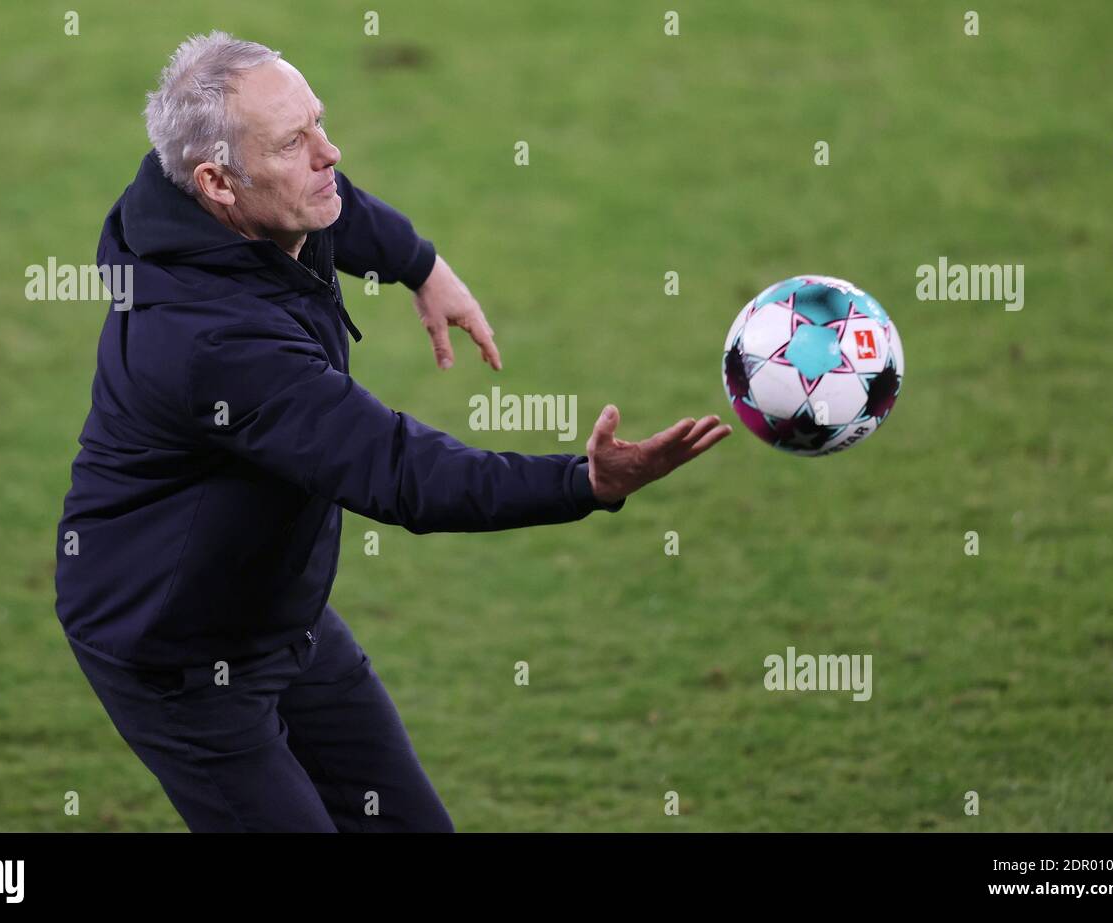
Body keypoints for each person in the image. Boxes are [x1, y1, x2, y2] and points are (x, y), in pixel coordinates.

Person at [55, 31, 731, 832]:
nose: (328, 151)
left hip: (279, 613)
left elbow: (334, 203)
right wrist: (583, 481)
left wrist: (420, 264)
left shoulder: (232, 204)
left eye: (318, 123)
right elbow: (405, 472)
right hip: (178, 652)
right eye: (294, 141)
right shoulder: (216, 346)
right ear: (217, 182)